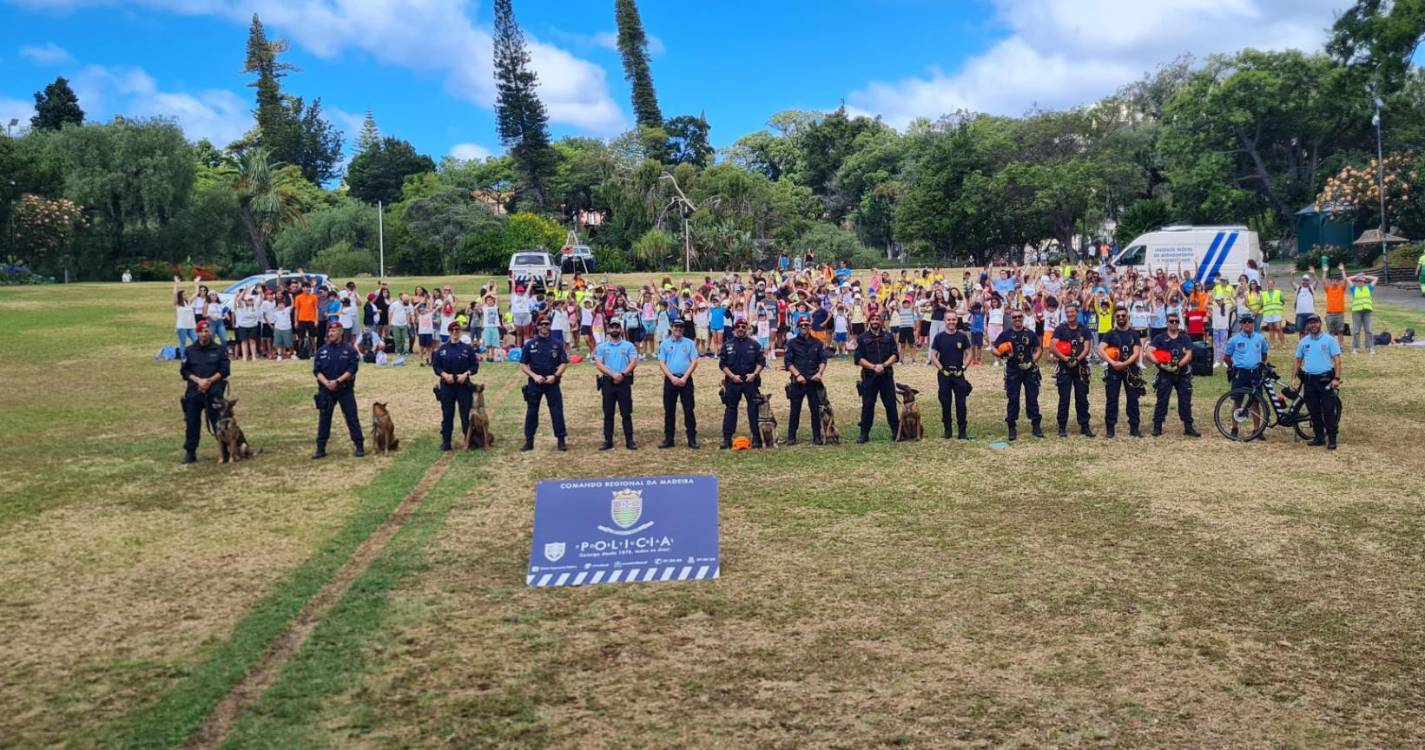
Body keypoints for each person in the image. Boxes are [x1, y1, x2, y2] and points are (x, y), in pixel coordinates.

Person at [179, 320, 229, 464]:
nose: (204, 334)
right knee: (192, 422)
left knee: (219, 423)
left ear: (210, 332)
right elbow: (184, 371)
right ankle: (190, 451)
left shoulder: (219, 349)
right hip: (195, 391)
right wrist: (198, 381)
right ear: (197, 332)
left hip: (213, 390)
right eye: (201, 331)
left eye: (207, 331)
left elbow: (225, 370)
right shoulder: (189, 351)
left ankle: (225, 450)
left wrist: (209, 381)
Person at [312, 321, 365, 459]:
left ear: (341, 332)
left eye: (334, 331)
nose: (331, 333)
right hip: (326, 390)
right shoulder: (322, 351)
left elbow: (352, 369)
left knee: (351, 417)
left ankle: (359, 445)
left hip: (344, 389)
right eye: (329, 331)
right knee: (324, 419)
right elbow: (317, 371)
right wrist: (327, 383)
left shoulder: (350, 350)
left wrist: (337, 381)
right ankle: (321, 447)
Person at [1146, 311, 1200, 437]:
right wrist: (1158, 363)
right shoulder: (1160, 338)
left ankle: (1188, 427)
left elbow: (1189, 353)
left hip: (1182, 373)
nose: (1174, 323)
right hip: (1165, 374)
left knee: (1185, 401)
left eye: (1176, 321)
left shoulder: (1184, 337)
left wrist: (1178, 365)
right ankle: (1157, 426)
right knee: (1162, 400)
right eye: (1171, 321)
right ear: (1167, 323)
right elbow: (1149, 352)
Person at [519, 317, 570, 451]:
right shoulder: (530, 344)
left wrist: (555, 376)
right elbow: (523, 364)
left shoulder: (557, 344)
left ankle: (561, 440)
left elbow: (564, 362)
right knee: (531, 412)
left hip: (552, 383)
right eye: (542, 324)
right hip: (535, 383)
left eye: (547, 324)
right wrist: (534, 376)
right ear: (537, 326)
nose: (544, 326)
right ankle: (529, 441)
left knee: (557, 411)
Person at [992, 309, 1043, 440]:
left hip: (1029, 370)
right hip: (1013, 370)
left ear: (1023, 318)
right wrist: (1001, 354)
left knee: (1032, 398)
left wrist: (1032, 362)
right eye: (1014, 317)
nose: (1017, 319)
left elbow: (1038, 349)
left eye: (1020, 316)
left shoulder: (1030, 334)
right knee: (1013, 399)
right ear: (1011, 319)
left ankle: (1036, 426)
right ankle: (1012, 427)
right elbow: (993, 347)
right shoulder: (1006, 334)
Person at [1294, 313, 1343, 449]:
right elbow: (1298, 361)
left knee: (1328, 410)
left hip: (1326, 380)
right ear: (1307, 325)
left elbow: (1337, 360)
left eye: (1315, 322)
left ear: (1320, 323)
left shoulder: (1329, 340)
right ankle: (1319, 437)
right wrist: (1293, 378)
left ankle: (1332, 439)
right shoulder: (1303, 342)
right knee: (1313, 411)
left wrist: (1337, 378)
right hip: (1309, 380)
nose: (1313, 325)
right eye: (1310, 323)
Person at [718, 318, 766, 449]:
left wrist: (754, 374)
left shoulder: (754, 344)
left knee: (754, 409)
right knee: (730, 409)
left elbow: (762, 362)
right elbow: (722, 364)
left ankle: (756, 438)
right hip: (733, 382)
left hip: (750, 381)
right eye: (738, 326)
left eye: (743, 326)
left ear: (747, 328)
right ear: (734, 329)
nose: (740, 328)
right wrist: (732, 376)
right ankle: (727, 439)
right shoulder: (727, 345)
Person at [1050, 301, 1094, 438]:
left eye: (1072, 312)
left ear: (1077, 313)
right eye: (1067, 312)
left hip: (1080, 367)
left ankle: (1085, 426)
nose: (1070, 314)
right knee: (1064, 398)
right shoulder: (1060, 329)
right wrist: (1066, 359)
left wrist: (1077, 359)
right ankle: (1062, 427)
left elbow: (1087, 348)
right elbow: (1053, 347)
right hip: (1065, 367)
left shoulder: (1084, 329)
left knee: (1082, 398)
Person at [432, 322, 479, 451]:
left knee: (465, 415)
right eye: (452, 330)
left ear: (460, 332)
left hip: (463, 385)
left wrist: (466, 374)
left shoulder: (467, 348)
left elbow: (474, 366)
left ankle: (469, 440)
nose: (454, 332)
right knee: (447, 415)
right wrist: (444, 375)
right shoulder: (442, 349)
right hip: (447, 386)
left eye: (457, 330)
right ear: (449, 332)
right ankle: (446, 442)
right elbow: (436, 366)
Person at [593, 319, 639, 450]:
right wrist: (613, 375)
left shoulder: (628, 346)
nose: (614, 329)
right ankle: (608, 440)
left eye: (617, 327)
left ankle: (629, 440)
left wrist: (623, 374)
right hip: (608, 382)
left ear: (620, 329)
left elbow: (633, 362)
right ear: (608, 329)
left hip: (624, 382)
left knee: (626, 412)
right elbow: (599, 364)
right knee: (608, 413)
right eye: (612, 327)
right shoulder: (602, 347)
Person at [854, 314, 900, 443]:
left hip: (886, 376)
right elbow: (858, 358)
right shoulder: (862, 338)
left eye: (877, 319)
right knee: (867, 405)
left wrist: (884, 365)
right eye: (872, 319)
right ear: (869, 322)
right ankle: (864, 433)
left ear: (881, 321)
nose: (875, 321)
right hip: (869, 377)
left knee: (890, 404)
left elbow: (895, 355)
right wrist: (874, 367)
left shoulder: (888, 336)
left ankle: (896, 431)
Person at [929, 309, 974, 440]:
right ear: (945, 321)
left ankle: (962, 432)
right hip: (944, 375)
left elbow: (969, 353)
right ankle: (947, 431)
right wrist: (942, 369)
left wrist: (964, 367)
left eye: (953, 319)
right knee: (945, 402)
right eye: (949, 319)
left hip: (958, 374)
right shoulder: (939, 337)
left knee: (961, 403)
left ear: (957, 320)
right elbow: (933, 356)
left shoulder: (962, 337)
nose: (951, 322)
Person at [1099, 308, 1144, 438]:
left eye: (1123, 315)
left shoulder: (1134, 334)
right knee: (1112, 399)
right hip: (1114, 370)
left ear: (1127, 316)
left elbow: (1136, 352)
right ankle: (1110, 428)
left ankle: (1134, 428)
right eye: (1118, 316)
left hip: (1131, 370)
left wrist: (1124, 364)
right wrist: (1112, 363)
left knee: (1133, 399)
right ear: (1115, 318)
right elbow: (1100, 349)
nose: (1120, 318)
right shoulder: (1110, 333)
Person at [1223, 314, 1269, 440]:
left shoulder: (1260, 339)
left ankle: (1257, 430)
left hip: (1255, 373)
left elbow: (1264, 355)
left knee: (1256, 402)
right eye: (1244, 322)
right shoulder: (1234, 340)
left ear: (1253, 323)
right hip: (1240, 373)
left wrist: (1260, 365)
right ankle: (1234, 428)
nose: (1247, 324)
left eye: (1250, 321)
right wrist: (1233, 367)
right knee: (1237, 401)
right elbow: (1226, 357)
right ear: (1241, 325)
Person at [784, 317, 829, 445]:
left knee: (815, 410)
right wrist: (797, 375)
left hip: (813, 381)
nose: (804, 327)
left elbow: (823, 361)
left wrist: (819, 373)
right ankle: (792, 437)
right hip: (798, 381)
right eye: (802, 325)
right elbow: (788, 362)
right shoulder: (792, 343)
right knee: (795, 410)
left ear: (810, 327)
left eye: (806, 325)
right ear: (798, 327)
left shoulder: (818, 343)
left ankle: (817, 436)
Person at [657, 319, 699, 449]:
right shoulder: (664, 344)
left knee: (689, 410)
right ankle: (669, 439)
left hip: (686, 380)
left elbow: (694, 361)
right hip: (670, 380)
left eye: (681, 327)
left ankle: (691, 439)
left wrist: (685, 377)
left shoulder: (690, 343)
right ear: (671, 327)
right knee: (669, 410)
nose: (678, 329)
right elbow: (662, 363)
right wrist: (671, 378)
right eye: (676, 326)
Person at [1348, 267, 1378, 354]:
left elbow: (1376, 278)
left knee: (1368, 330)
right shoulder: (1354, 288)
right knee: (1356, 331)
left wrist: (1365, 275)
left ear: (1364, 282)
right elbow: (1348, 279)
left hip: (1367, 311)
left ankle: (1370, 347)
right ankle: (1355, 348)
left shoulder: (1369, 287)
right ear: (1356, 282)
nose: (1360, 282)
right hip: (1356, 312)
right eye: (1358, 281)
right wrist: (1357, 275)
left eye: (1362, 281)